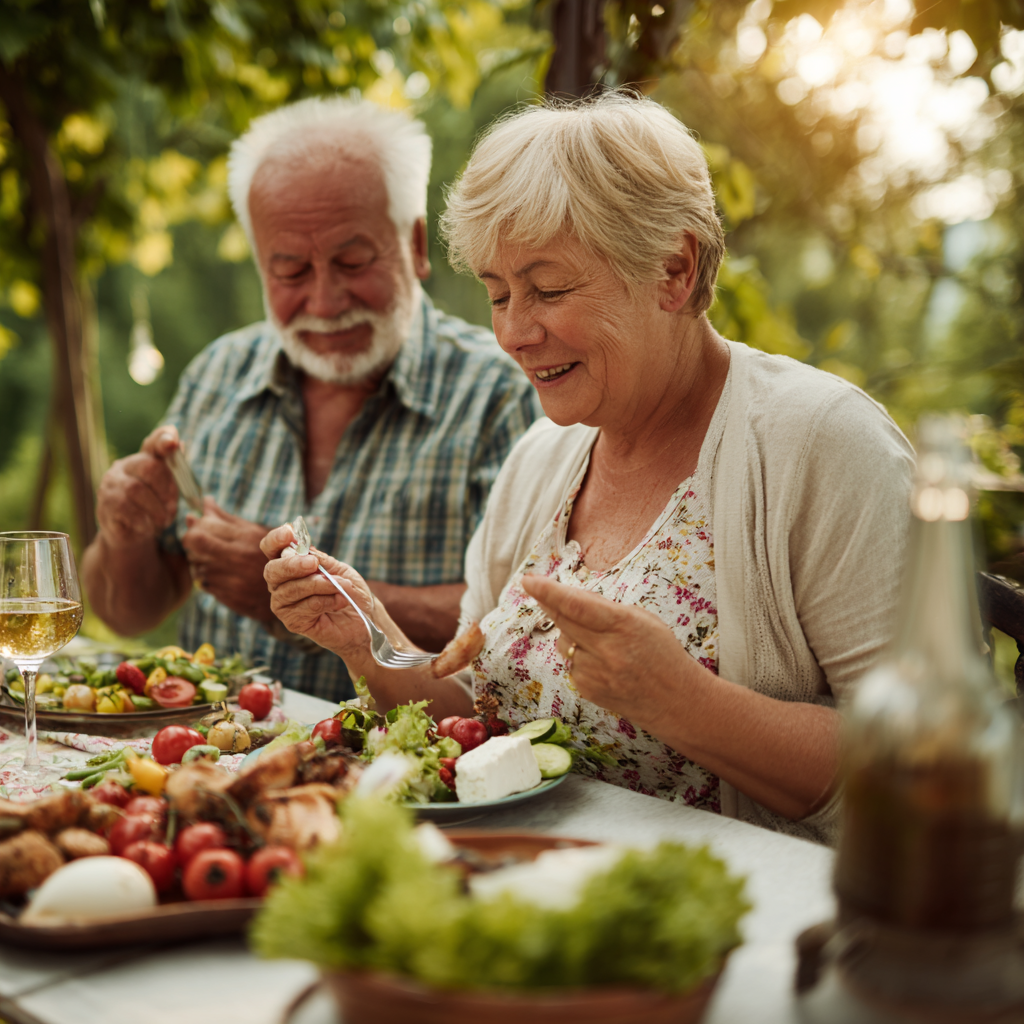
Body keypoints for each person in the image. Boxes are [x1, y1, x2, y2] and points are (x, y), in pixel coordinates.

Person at [259, 92, 914, 843]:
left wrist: (684, 703)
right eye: (497, 293)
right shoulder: (541, 461)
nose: (511, 331)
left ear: (674, 267)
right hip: (536, 889)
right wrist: (369, 639)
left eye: (549, 289)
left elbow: (922, 763)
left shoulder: (824, 441)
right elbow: (484, 725)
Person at [82, 98, 542, 702]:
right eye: (291, 271)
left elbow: (525, 623)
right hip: (212, 763)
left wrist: (297, 595)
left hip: (406, 773)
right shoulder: (218, 374)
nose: (325, 302)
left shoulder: (500, 391)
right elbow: (128, 615)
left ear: (415, 244)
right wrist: (125, 532)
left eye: (352, 261)